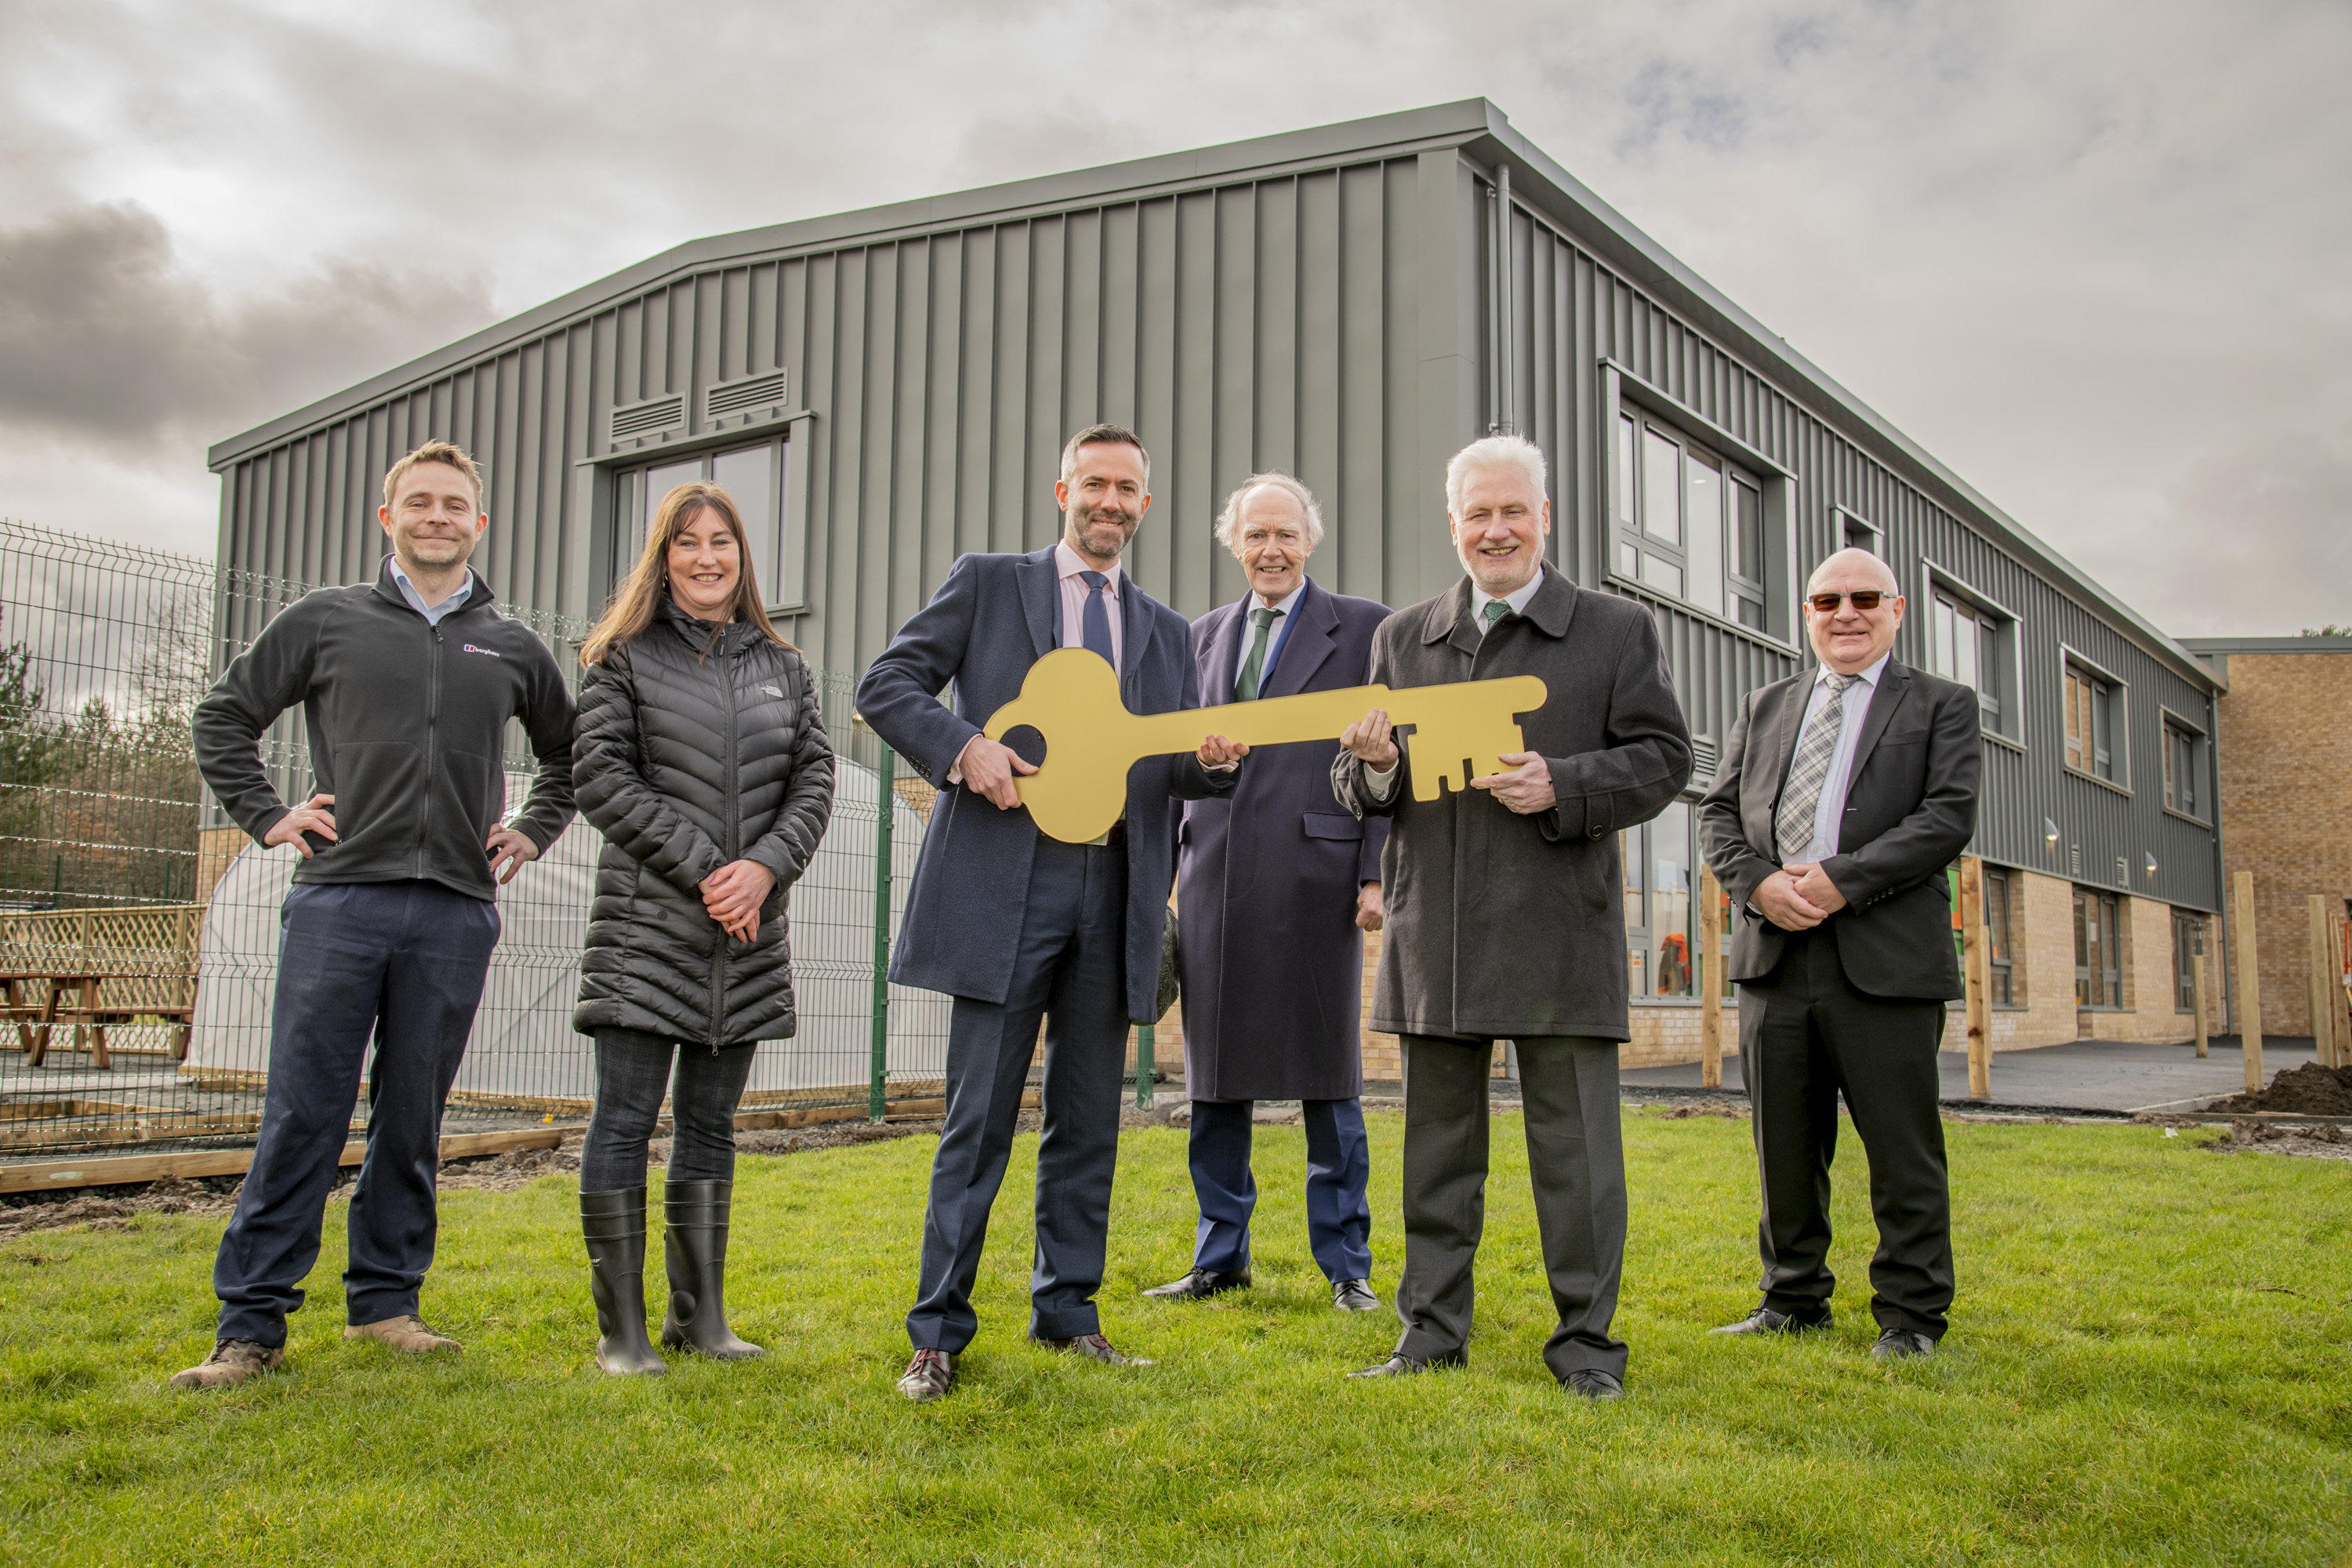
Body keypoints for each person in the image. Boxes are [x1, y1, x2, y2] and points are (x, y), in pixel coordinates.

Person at [174, 440, 575, 1390]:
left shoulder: (511, 645)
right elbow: (222, 716)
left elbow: (570, 756)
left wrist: (532, 829)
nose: (437, 516)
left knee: (411, 1116)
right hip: (338, 901)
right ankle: (251, 1326)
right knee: (303, 1113)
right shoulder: (326, 621)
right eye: (419, 502)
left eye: (455, 505)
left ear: (480, 525)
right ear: (387, 516)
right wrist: (269, 816)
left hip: (457, 911)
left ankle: (386, 1304)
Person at [856, 423, 1244, 1403]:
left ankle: (1068, 1310)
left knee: (1087, 1117)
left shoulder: (1161, 628)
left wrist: (1213, 764)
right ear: (1063, 488)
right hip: (1003, 884)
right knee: (975, 1117)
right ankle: (937, 1333)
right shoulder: (988, 583)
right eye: (1095, 484)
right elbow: (886, 684)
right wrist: (962, 748)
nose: (1110, 503)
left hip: (1113, 890)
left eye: (1128, 490)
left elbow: (1163, 763)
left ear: (1146, 507)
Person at [1331, 434, 1690, 1400]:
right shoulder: (1403, 637)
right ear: (1454, 526)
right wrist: (1370, 765)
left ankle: (1585, 1348)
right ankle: (1430, 1334)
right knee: (1437, 1157)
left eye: (1513, 510)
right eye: (1478, 514)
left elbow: (1666, 760)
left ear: (1544, 518)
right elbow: (1362, 783)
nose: (1497, 528)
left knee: (1576, 1163)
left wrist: (1564, 782)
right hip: (1435, 929)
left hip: (1559, 929)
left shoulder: (1617, 631)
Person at [568, 481, 835, 1376]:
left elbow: (814, 783)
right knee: (624, 1122)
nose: (707, 556)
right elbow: (602, 778)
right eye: (688, 542)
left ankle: (701, 1318)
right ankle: (623, 1333)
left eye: (722, 540)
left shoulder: (784, 668)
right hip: (649, 933)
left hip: (745, 934)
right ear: (663, 556)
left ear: (742, 555)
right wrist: (708, 870)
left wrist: (762, 868)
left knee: (711, 1126)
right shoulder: (621, 660)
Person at [1695, 547, 1980, 1359]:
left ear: (1897, 610)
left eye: (1863, 598)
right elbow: (1717, 813)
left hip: (1883, 957)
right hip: (1775, 955)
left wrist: (1834, 882)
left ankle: (1912, 1314)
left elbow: (1946, 817)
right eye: (1827, 599)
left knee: (1901, 1145)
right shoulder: (1764, 704)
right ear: (1808, 612)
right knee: (1783, 1142)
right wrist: (1758, 886)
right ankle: (1792, 1298)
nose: (1844, 613)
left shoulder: (1942, 705)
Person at [1148, 473, 1391, 1313]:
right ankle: (1220, 1255)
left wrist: (1374, 869)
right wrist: (1168, 874)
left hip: (1318, 877)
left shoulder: (1364, 629)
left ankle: (1347, 1265)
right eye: (1255, 535)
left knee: (1330, 1082)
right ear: (1234, 543)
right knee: (1213, 1081)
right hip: (1213, 877)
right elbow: (1178, 759)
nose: (1271, 549)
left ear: (1310, 539)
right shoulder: (1200, 635)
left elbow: (1389, 756)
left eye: (1285, 533)